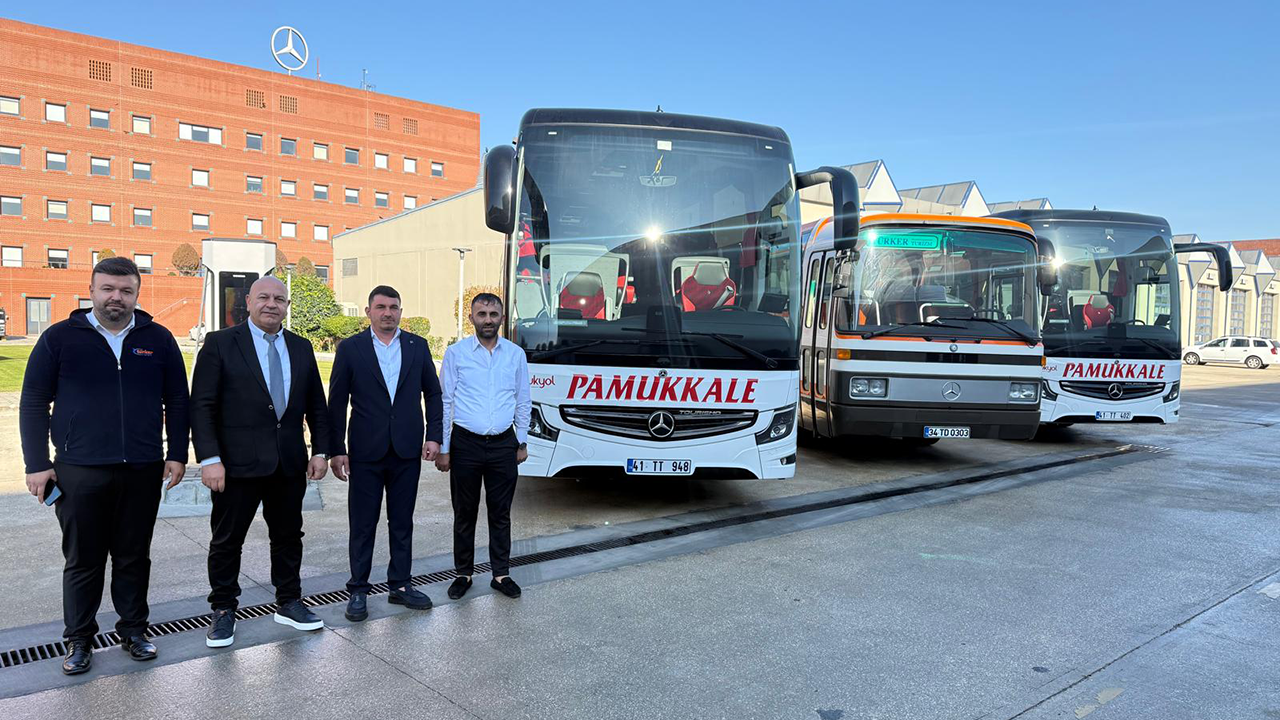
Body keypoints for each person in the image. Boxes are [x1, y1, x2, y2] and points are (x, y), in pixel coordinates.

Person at [19, 257, 189, 675]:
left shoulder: (158, 339)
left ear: (136, 294)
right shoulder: (60, 338)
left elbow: (177, 400)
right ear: (91, 290)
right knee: (84, 559)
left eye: (126, 290)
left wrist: (177, 453)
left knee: (134, 556)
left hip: (142, 468)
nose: (117, 297)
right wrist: (37, 463)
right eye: (108, 289)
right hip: (79, 469)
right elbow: (34, 401)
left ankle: (134, 631)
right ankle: (79, 640)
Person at [190, 276, 330, 648]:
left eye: (279, 299)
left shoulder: (300, 346)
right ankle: (223, 609)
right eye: (264, 297)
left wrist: (320, 451)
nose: (272, 304)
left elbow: (316, 404)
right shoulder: (221, 343)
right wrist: (209, 459)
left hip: (288, 463)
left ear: (287, 306)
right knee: (227, 540)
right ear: (248, 302)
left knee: (288, 536)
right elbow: (201, 406)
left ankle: (289, 601)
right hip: (235, 465)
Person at [327, 285, 443, 621]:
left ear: (400, 312)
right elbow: (337, 402)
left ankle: (400, 585)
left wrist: (434, 436)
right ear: (369, 312)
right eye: (381, 307)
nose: (388, 313)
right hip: (365, 452)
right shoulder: (351, 349)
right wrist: (336, 449)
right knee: (363, 524)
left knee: (402, 521)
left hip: (406, 450)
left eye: (393, 307)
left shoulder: (417, 346)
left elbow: (433, 394)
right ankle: (358, 590)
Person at [436, 293, 530, 600]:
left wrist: (522, 441)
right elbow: (445, 402)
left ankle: (501, 575)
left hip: (504, 444)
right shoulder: (456, 354)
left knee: (501, 513)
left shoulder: (515, 354)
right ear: (471, 318)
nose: (487, 319)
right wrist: (445, 448)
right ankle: (463, 573)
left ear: (502, 317)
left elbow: (523, 400)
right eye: (481, 314)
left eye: (493, 314)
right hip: (465, 444)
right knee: (464, 513)